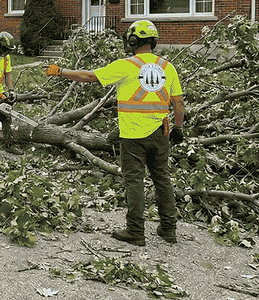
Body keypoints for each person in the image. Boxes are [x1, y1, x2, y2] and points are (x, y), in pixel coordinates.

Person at [45, 20, 184, 246]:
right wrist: (178, 128)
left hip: (133, 135)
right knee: (162, 180)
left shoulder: (127, 65)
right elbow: (178, 103)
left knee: (134, 182)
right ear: (154, 41)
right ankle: (169, 229)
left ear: (132, 41)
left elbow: (90, 76)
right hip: (161, 132)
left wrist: (60, 71)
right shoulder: (168, 67)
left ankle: (136, 231)